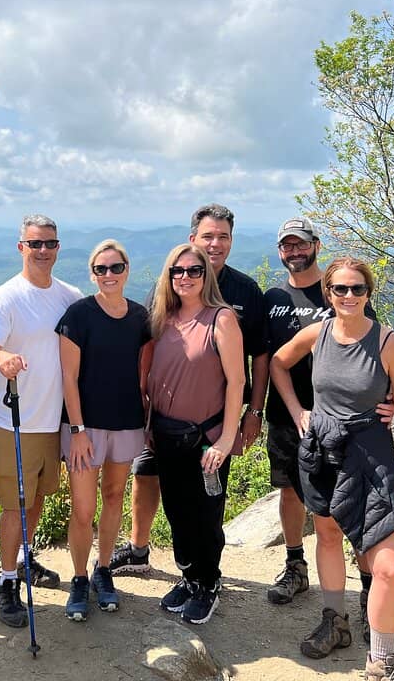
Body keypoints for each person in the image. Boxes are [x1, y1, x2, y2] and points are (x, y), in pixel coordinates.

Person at [270, 257, 394, 680]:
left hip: (371, 454)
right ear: (328, 294)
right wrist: (299, 411)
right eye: (340, 289)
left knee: (387, 563)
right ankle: (335, 622)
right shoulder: (316, 335)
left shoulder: (390, 343)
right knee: (330, 535)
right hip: (323, 449)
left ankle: (382, 660)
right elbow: (278, 363)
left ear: (369, 294)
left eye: (357, 289)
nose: (349, 296)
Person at [110, 203, 266, 576]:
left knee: (203, 502)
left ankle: (204, 576)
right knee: (151, 480)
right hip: (163, 421)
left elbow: (258, 357)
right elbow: (146, 344)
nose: (215, 244)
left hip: (210, 421)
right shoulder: (167, 293)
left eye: (223, 237)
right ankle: (141, 548)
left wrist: (252, 414)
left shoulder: (242, 293)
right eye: (207, 236)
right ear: (192, 239)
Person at [262, 217, 393, 643]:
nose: (294, 251)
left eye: (301, 244)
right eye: (287, 245)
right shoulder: (273, 297)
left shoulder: (344, 294)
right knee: (291, 493)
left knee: (349, 511)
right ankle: (297, 567)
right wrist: (277, 409)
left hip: (345, 425)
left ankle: (368, 594)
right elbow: (269, 357)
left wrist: (387, 400)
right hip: (290, 417)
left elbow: (375, 352)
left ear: (315, 245)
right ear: (280, 251)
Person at [0, 214, 82, 628]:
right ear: (20, 247)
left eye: (50, 244)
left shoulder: (70, 296)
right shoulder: (6, 297)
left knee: (36, 499)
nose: (43, 251)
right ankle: (5, 584)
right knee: (15, 504)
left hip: (50, 419)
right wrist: (2, 358)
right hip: (13, 417)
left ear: (58, 248)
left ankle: (21, 559)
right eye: (35, 244)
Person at [146, 244, 245, 625]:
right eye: (177, 270)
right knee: (177, 512)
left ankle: (209, 583)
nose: (184, 277)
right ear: (168, 276)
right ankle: (189, 578)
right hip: (168, 435)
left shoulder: (221, 319)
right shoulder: (163, 318)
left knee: (206, 516)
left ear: (206, 276)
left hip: (207, 440)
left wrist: (225, 440)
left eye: (194, 271)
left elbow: (236, 381)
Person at [56, 240, 152, 621]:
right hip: (85, 426)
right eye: (101, 269)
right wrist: (77, 429)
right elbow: (68, 376)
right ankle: (79, 578)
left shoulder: (142, 318)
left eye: (116, 267)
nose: (108, 275)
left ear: (127, 270)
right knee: (83, 509)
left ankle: (103, 569)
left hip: (127, 422)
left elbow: (145, 375)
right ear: (92, 273)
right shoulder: (78, 315)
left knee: (114, 497)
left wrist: (148, 422)